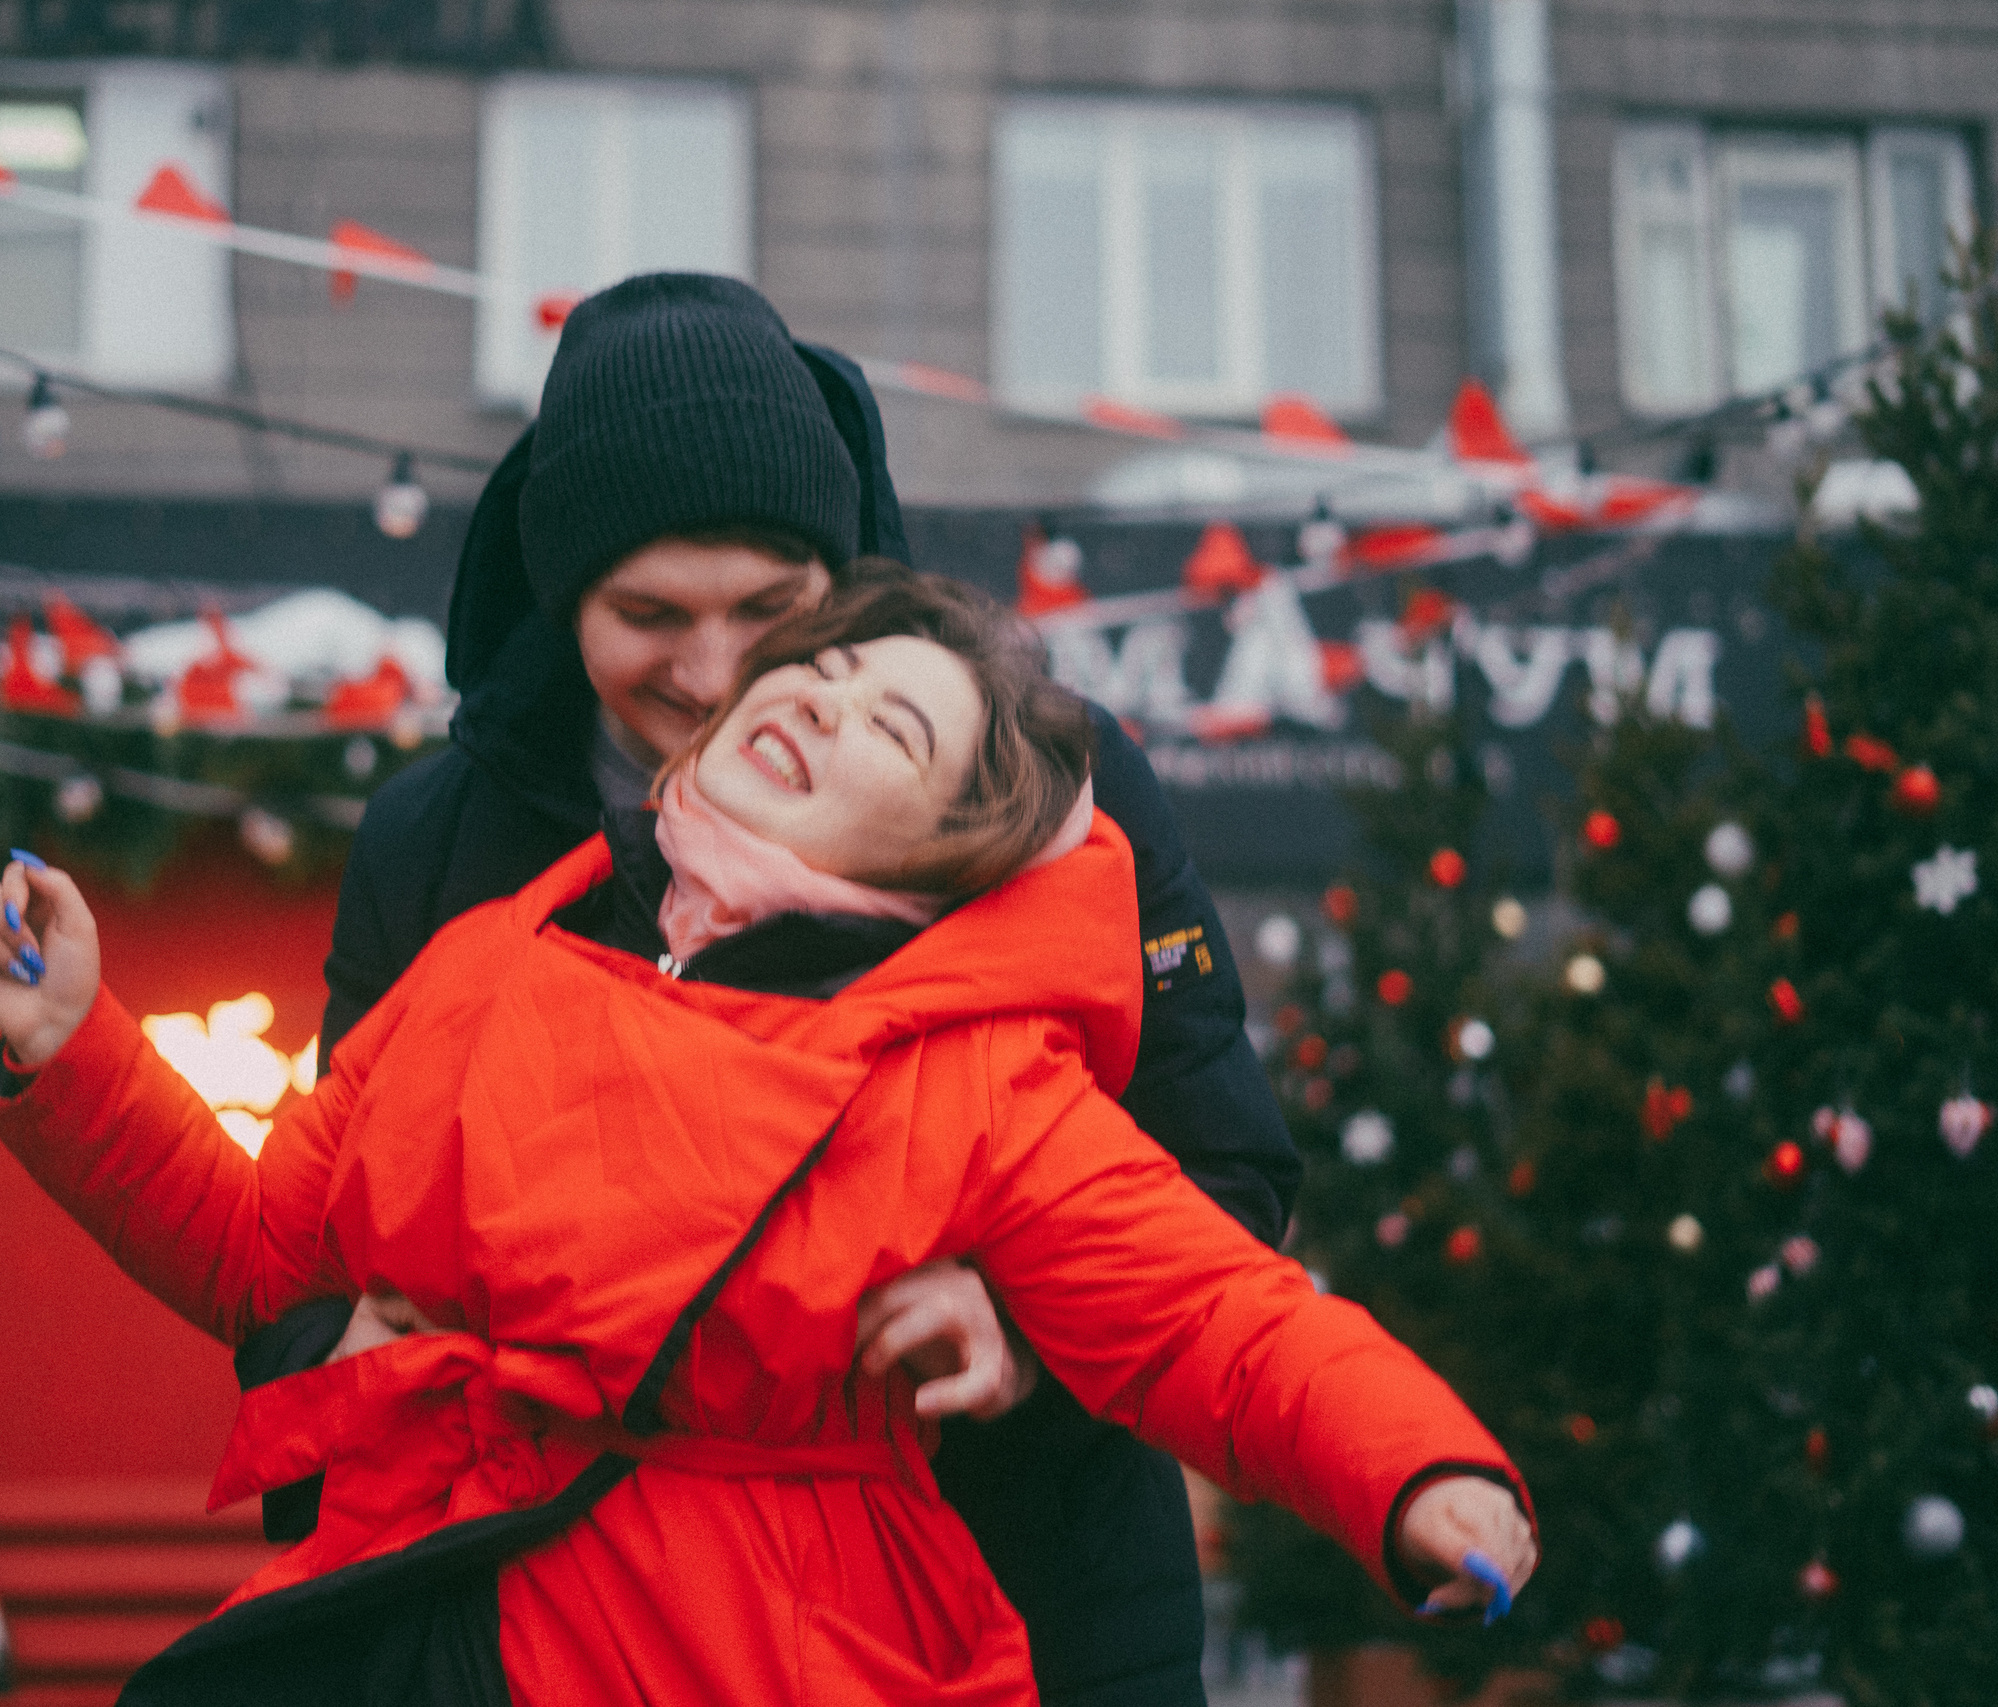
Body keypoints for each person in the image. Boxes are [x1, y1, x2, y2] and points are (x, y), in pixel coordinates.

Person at [0, 573, 1537, 1707]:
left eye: (893, 733)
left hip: (764, 1655)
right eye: (823, 675)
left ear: (942, 863)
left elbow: (1211, 1315)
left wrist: (1416, 1472)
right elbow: (260, 1254)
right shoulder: (493, 960)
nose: (821, 702)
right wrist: (77, 1047)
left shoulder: (976, 1077)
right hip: (429, 1617)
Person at [274, 271, 1304, 1705]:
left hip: (1015, 1604)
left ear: (853, 595)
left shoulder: (1046, 802)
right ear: (566, 596)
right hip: (560, 1640)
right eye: (648, 613)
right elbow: (312, 1233)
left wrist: (1017, 1322)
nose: (711, 673)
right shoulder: (442, 842)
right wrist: (337, 1347)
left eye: (772, 609)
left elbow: (1223, 1169)